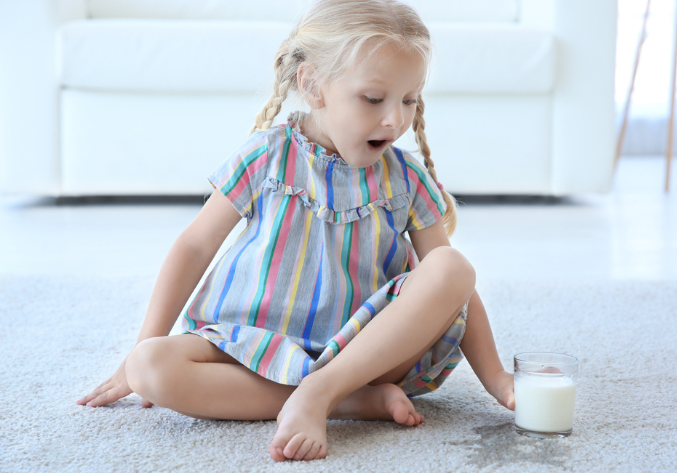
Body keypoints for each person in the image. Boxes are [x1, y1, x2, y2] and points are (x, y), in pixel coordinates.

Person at [76, 0, 515, 462]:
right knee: (150, 367)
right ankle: (347, 401)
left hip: (366, 349)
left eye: (409, 100)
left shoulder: (406, 179)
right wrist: (140, 346)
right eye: (373, 99)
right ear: (313, 86)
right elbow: (194, 244)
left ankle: (326, 387)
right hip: (255, 340)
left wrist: (498, 379)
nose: (395, 120)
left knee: (450, 264)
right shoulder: (266, 156)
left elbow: (456, 290)